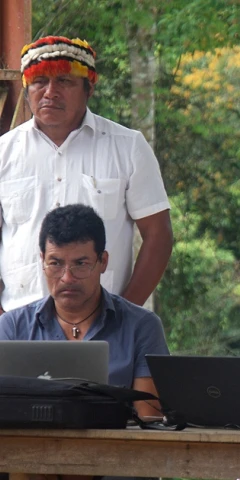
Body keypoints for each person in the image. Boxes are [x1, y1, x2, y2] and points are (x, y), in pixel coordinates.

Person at [0, 36, 172, 314]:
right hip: (18, 322)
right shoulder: (3, 153)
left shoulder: (127, 146)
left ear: (89, 88)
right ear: (27, 87)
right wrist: (4, 320)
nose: (50, 92)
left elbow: (159, 234)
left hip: (104, 322)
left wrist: (124, 313)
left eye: (65, 81)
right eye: (39, 81)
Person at [0, 204, 169, 418]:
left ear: (103, 262)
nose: (67, 278)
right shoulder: (13, 327)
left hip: (117, 449)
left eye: (81, 264)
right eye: (55, 263)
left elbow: (149, 418)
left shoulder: (142, 326)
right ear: (42, 261)